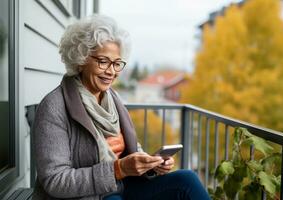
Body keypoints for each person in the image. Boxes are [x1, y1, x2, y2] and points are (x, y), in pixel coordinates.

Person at [32, 15, 210, 200]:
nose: (111, 71)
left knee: (187, 180)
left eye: (117, 64)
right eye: (103, 62)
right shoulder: (54, 107)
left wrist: (151, 164)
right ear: (81, 59)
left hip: (122, 185)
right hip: (88, 196)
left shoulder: (112, 98)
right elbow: (55, 180)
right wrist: (117, 170)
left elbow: (131, 150)